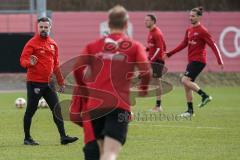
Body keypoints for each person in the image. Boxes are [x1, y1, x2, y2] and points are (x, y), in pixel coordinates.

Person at [74, 5, 151, 160]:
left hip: (95, 105)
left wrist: (83, 88)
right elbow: (147, 71)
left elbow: (77, 68)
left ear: (108, 25)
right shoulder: (134, 46)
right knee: (110, 153)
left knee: (102, 150)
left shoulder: (92, 45)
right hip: (119, 105)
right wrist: (143, 88)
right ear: (125, 25)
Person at [20, 17, 78, 145]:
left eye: (46, 27)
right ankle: (27, 138)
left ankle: (63, 137)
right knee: (31, 110)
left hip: (49, 84)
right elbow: (23, 60)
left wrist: (61, 82)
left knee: (57, 109)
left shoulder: (53, 44)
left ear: (50, 28)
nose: (43, 29)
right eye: (41, 27)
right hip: (34, 83)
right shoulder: (31, 43)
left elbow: (56, 65)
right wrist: (29, 63)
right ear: (37, 28)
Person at [164, 7, 224, 117]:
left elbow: (213, 45)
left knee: (184, 80)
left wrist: (219, 60)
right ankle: (190, 111)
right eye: (190, 16)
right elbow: (183, 44)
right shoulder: (189, 30)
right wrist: (170, 53)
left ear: (199, 17)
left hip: (199, 60)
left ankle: (205, 96)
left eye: (193, 16)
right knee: (187, 85)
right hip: (191, 61)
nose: (190, 18)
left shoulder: (203, 31)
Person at [145, 14, 167, 112]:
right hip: (153, 59)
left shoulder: (157, 33)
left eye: (148, 20)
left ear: (153, 21)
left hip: (157, 61)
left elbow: (159, 48)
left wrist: (152, 59)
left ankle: (158, 106)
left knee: (156, 82)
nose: (145, 22)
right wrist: (145, 49)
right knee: (155, 82)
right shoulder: (150, 32)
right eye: (145, 20)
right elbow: (154, 46)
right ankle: (158, 106)